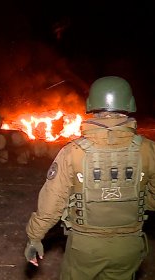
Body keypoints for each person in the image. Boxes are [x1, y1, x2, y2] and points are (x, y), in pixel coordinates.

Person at [24, 76, 155, 279]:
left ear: (92, 105)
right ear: (129, 105)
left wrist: (35, 237)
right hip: (128, 246)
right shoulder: (149, 150)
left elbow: (52, 203)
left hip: (85, 248)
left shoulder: (73, 151)